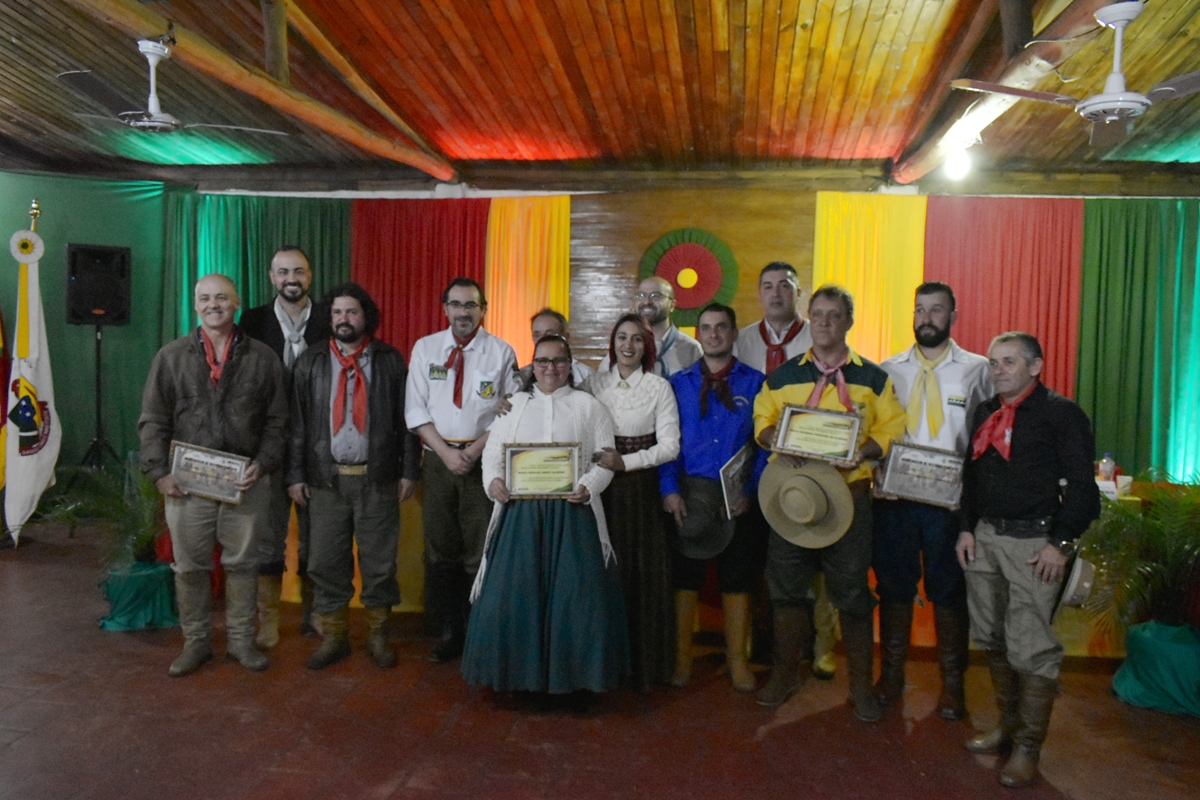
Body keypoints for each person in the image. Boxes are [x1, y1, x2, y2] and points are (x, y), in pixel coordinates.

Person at [753, 285, 906, 718]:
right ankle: (784, 675)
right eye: (817, 314)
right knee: (786, 592)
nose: (824, 322)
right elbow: (761, 421)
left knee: (853, 593)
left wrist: (866, 451)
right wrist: (778, 440)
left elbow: (892, 427)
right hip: (793, 498)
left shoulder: (874, 378)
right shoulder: (782, 376)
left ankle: (860, 689)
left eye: (833, 315)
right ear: (809, 318)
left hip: (850, 500)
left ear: (849, 321)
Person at [956, 332, 1100, 788]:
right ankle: (1007, 728)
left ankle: (1027, 749)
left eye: (1009, 362)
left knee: (1032, 649)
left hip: (1034, 545)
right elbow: (970, 478)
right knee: (993, 638)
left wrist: (1060, 544)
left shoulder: (1062, 414)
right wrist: (965, 527)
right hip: (983, 539)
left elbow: (1084, 490)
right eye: (994, 363)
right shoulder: (986, 412)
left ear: (1036, 367)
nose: (998, 370)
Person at [138, 274, 288, 677]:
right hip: (186, 486)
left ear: (237, 301)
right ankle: (196, 643)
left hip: (247, 482)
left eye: (221, 297)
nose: (213, 304)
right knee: (189, 567)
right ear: (195, 304)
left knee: (243, 564)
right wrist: (158, 474)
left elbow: (278, 421)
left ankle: (241, 643)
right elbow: (153, 420)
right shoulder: (170, 358)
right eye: (204, 298)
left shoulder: (263, 358)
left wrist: (264, 462)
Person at [461, 334, 629, 695]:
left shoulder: (589, 406)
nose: (550, 368)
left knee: (576, 601)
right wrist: (494, 483)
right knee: (514, 599)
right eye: (542, 361)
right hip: (521, 518)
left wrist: (589, 484)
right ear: (532, 366)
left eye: (558, 361)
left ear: (570, 366)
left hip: (574, 516)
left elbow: (606, 458)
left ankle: (574, 679)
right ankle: (520, 678)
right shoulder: (514, 406)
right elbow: (492, 457)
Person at [286, 283, 421, 670]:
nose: (345, 320)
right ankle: (335, 638)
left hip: (377, 479)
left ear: (367, 317)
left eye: (353, 312)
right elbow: (297, 426)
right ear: (330, 319)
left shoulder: (391, 361)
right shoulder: (309, 363)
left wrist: (409, 470)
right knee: (327, 562)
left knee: (380, 563)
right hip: (325, 482)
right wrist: (295, 475)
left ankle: (378, 637)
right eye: (338, 313)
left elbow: (408, 422)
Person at [873, 282, 992, 719]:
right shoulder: (889, 369)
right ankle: (891, 676)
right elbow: (879, 431)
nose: (926, 317)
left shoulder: (978, 370)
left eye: (936, 310)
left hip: (950, 504)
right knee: (894, 588)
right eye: (920, 309)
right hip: (896, 499)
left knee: (948, 592)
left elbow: (986, 439)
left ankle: (953, 686)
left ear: (953, 316)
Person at [733, 261, 836, 682]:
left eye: (785, 286)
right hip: (756, 466)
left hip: (814, 469)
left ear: (798, 293)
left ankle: (823, 648)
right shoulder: (739, 342)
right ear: (759, 294)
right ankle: (763, 642)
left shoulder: (822, 337)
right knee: (762, 561)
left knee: (818, 559)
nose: (776, 294)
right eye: (768, 286)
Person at [406, 277, 518, 663]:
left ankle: (479, 632)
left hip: (482, 460)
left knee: (479, 550)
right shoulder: (426, 349)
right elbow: (415, 410)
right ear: (445, 308)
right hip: (438, 461)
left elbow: (509, 410)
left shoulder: (501, 352)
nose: (463, 312)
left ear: (483, 309)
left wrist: (472, 451)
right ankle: (449, 630)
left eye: (471, 305)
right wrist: (446, 453)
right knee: (440, 550)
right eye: (455, 304)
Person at [660, 304, 768, 693]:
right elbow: (666, 444)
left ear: (734, 333)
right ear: (699, 334)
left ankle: (737, 661)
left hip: (737, 501)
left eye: (722, 327)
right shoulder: (678, 383)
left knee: (738, 580)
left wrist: (752, 492)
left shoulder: (757, 383)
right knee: (685, 581)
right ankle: (681, 660)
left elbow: (763, 448)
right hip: (689, 498)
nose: (714, 334)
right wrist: (668, 490)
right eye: (706, 327)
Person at [238, 245, 331, 649]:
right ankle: (269, 621)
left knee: (316, 537)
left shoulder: (331, 318)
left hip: (317, 445)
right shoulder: (253, 320)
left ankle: (314, 615)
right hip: (270, 445)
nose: (291, 278)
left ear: (310, 275)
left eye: (299, 271)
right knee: (269, 536)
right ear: (271, 277)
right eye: (283, 272)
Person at [582, 314, 681, 690]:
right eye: (621, 338)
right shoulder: (594, 383)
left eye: (636, 339)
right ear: (612, 343)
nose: (628, 345)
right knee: (602, 574)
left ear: (647, 347)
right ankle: (602, 665)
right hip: (599, 488)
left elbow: (670, 447)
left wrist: (626, 462)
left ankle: (643, 667)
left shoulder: (659, 388)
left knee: (640, 575)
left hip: (639, 490)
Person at [599, 276, 701, 378]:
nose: (646, 302)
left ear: (672, 305)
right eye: (641, 295)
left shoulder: (691, 349)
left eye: (655, 296)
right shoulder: (623, 348)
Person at [516, 308, 596, 387]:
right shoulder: (523, 376)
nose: (542, 339)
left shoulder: (585, 375)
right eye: (537, 334)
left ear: (566, 337)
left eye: (549, 334)